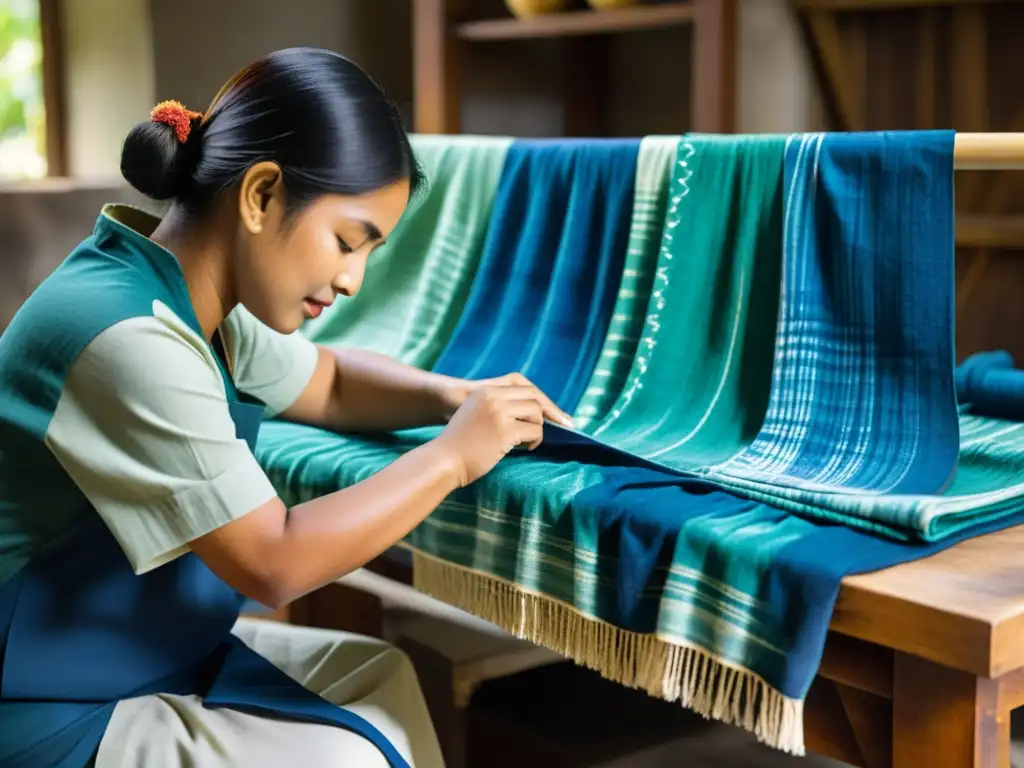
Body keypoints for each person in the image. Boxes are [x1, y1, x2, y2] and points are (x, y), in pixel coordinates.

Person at [0, 47, 573, 768]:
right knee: (347, 755)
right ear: (262, 195)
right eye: (346, 242)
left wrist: (454, 397)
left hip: (124, 643)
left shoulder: (196, 300)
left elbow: (328, 382)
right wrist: (453, 456)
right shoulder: (128, 338)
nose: (354, 278)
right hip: (42, 698)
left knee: (383, 677)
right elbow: (275, 561)